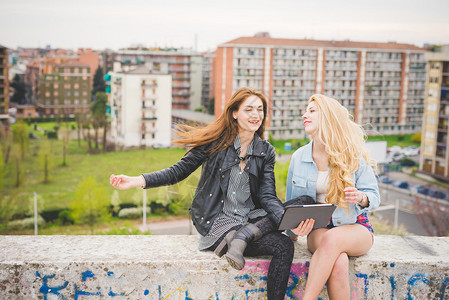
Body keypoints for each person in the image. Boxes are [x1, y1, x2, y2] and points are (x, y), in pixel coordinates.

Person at [110, 87, 313, 299]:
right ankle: (240, 235)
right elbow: (177, 171)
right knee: (282, 245)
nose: (256, 115)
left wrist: (285, 220)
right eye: (249, 109)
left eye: (260, 110)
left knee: (305, 202)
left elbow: (267, 196)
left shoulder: (265, 151)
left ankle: (244, 235)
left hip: (251, 219)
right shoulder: (216, 143)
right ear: (234, 113)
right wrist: (137, 180)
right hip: (218, 222)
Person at [286, 94, 380, 299]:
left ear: (327, 117)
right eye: (305, 110)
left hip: (355, 227)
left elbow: (374, 196)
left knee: (334, 242)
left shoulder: (352, 154)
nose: (305, 115)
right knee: (338, 261)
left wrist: (361, 197)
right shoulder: (298, 157)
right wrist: (291, 231)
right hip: (319, 230)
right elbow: (291, 205)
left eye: (312, 111)